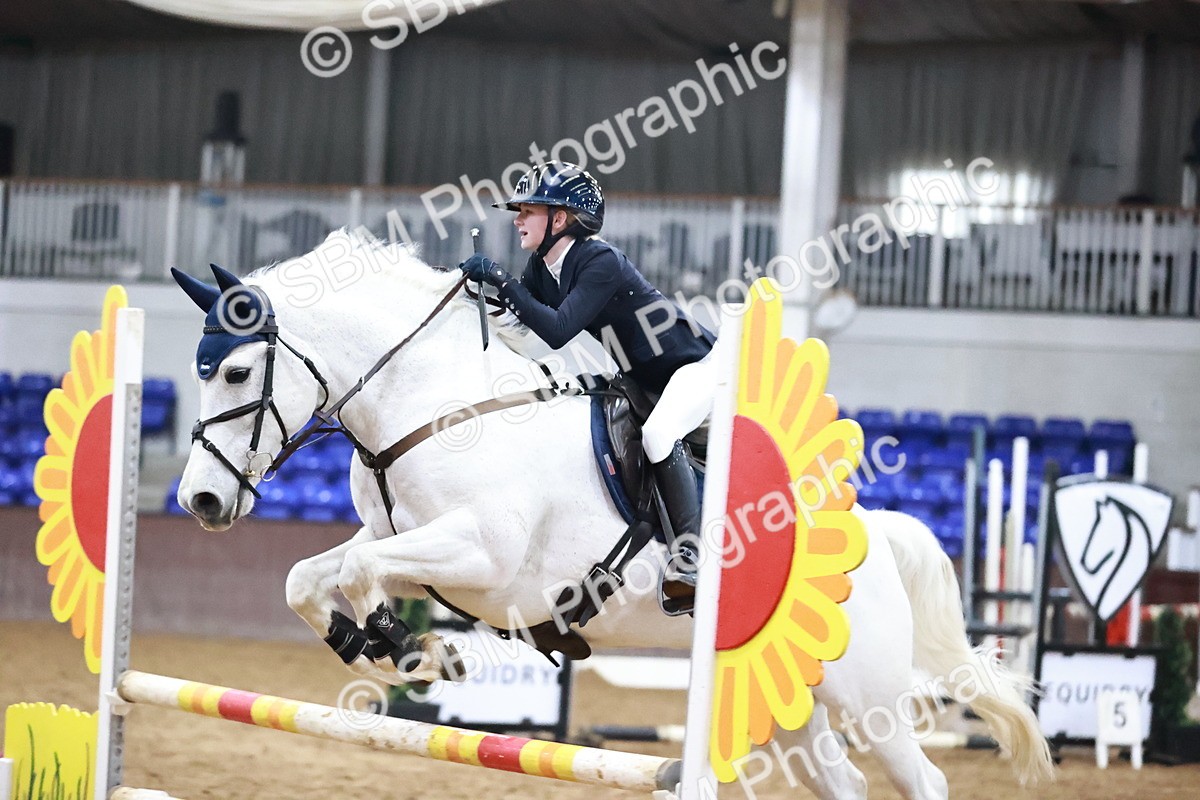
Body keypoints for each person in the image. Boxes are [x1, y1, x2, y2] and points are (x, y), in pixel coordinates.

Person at [459, 161, 717, 595]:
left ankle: (689, 558)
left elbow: (558, 330)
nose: (518, 219)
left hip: (695, 368)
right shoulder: (543, 268)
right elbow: (523, 325)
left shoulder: (600, 260)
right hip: (643, 379)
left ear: (559, 218)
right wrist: (474, 298)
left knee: (658, 434)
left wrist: (501, 280)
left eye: (528, 210)